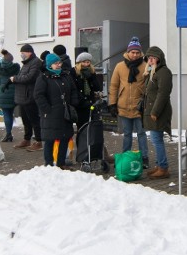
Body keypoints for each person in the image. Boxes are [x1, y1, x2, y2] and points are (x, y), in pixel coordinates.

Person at [109, 36, 149, 169]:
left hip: (139, 107)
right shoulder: (119, 66)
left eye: (137, 52)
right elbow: (114, 86)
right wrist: (112, 104)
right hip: (123, 106)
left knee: (141, 134)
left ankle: (144, 158)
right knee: (127, 134)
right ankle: (125, 157)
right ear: (128, 52)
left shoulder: (145, 66)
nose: (135, 55)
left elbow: (149, 86)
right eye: (133, 52)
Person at [34, 53, 80, 168]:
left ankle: (61, 163)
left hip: (65, 113)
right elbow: (38, 95)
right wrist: (47, 109)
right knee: (50, 139)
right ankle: (48, 164)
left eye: (59, 62)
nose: (59, 65)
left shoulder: (65, 75)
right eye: (56, 63)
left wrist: (73, 102)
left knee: (64, 137)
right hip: (51, 114)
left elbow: (74, 89)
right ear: (50, 65)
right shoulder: (44, 77)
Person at [143, 46, 173, 179]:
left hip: (158, 111)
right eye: (149, 58)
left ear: (159, 59)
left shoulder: (163, 72)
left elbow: (163, 94)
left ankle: (163, 168)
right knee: (156, 139)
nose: (151, 60)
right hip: (152, 110)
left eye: (153, 58)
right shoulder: (152, 72)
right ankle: (159, 165)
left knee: (157, 139)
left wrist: (155, 111)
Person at [11, 44, 43, 151]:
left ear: (29, 52)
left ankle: (39, 141)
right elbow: (22, 76)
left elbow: (29, 77)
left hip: (30, 96)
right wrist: (17, 78)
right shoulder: (26, 63)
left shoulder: (36, 62)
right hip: (23, 96)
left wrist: (15, 79)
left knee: (34, 119)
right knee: (25, 119)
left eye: (23, 53)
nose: (21, 55)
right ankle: (27, 139)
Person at [71, 51, 102, 130]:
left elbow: (97, 87)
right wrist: (81, 101)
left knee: (90, 126)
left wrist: (92, 77)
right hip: (80, 104)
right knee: (81, 126)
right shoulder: (74, 72)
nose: (86, 64)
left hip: (90, 102)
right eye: (84, 62)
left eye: (88, 62)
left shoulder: (91, 72)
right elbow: (74, 88)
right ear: (79, 63)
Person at [0, 49, 21, 142]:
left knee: (6, 114)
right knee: (14, 113)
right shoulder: (16, 68)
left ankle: (8, 134)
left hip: (3, 92)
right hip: (15, 93)